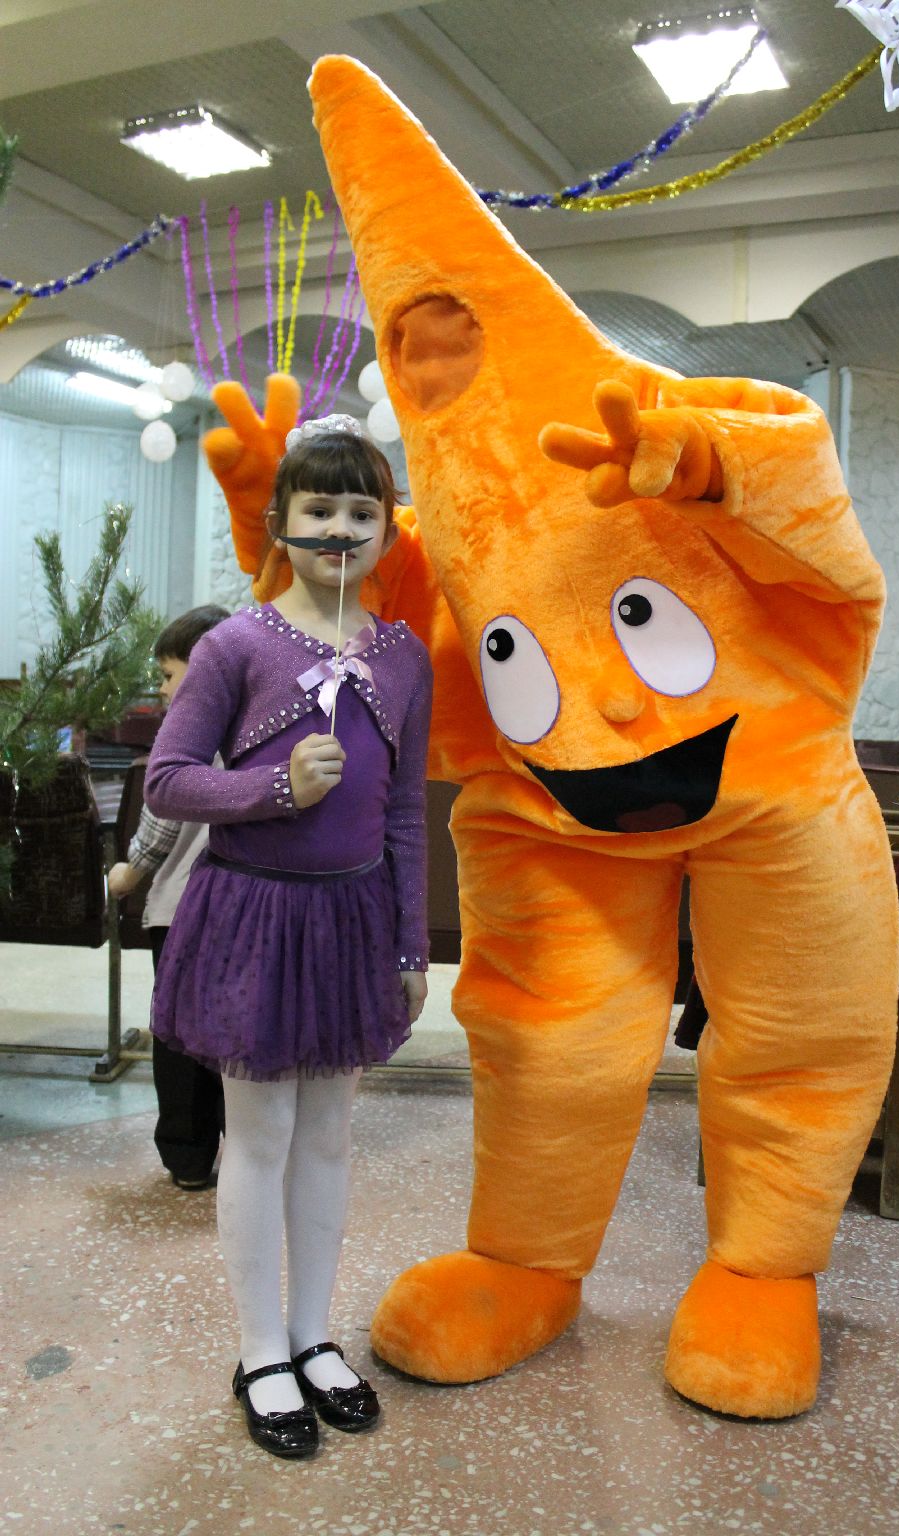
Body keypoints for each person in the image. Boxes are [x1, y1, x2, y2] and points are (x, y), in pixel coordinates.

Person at [144, 412, 432, 1460]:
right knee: (258, 1139)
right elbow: (168, 781)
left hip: (353, 920)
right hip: (255, 918)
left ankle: (313, 1337)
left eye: (362, 511)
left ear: (387, 529)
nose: (340, 530)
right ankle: (260, 1349)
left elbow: (404, 813)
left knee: (330, 1138)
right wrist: (275, 787)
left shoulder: (405, 658)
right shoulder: (235, 645)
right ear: (280, 523)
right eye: (319, 508)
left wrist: (411, 946)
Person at [108, 604, 229, 1189]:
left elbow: (160, 825)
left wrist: (127, 873)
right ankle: (246, 1142)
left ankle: (187, 1155)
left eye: (166, 673)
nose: (160, 688)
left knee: (179, 1034)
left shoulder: (187, 732)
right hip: (245, 909)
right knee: (235, 1030)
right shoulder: (259, 727)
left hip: (181, 910)